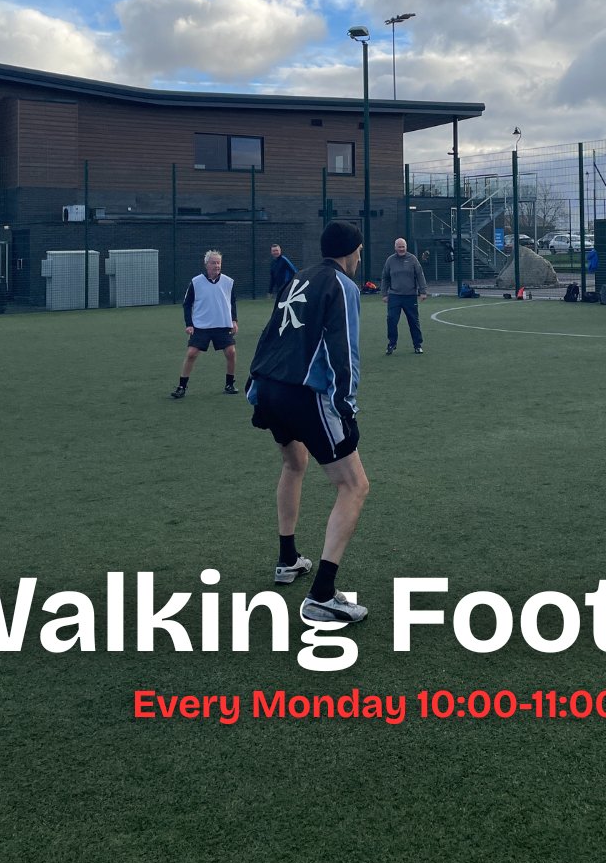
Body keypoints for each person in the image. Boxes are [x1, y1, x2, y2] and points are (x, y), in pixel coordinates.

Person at [248, 221, 370, 624]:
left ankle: (288, 561)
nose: (359, 258)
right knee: (354, 485)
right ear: (352, 250)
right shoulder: (343, 286)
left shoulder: (297, 278)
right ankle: (322, 596)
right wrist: (346, 406)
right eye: (359, 251)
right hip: (303, 392)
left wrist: (254, 385)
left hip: (268, 386)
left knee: (294, 463)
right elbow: (344, 351)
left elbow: (269, 334)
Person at [170, 249, 238, 399]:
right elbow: (187, 304)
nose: (217, 266)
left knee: (231, 353)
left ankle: (229, 384)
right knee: (192, 354)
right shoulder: (196, 282)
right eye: (213, 263)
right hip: (201, 326)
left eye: (219, 263)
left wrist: (234, 320)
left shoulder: (228, 282)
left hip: (223, 325)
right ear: (206, 264)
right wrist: (189, 324)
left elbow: (232, 302)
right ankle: (182, 386)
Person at [381, 237, 428, 355]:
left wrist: (423, 291)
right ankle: (392, 344)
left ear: (406, 247)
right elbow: (385, 277)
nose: (401, 249)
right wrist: (384, 294)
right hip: (394, 296)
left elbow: (420, 275)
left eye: (403, 247)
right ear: (395, 247)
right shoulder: (390, 260)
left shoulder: (413, 259)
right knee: (391, 320)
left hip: (410, 296)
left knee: (413, 321)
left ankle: (417, 345)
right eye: (399, 247)